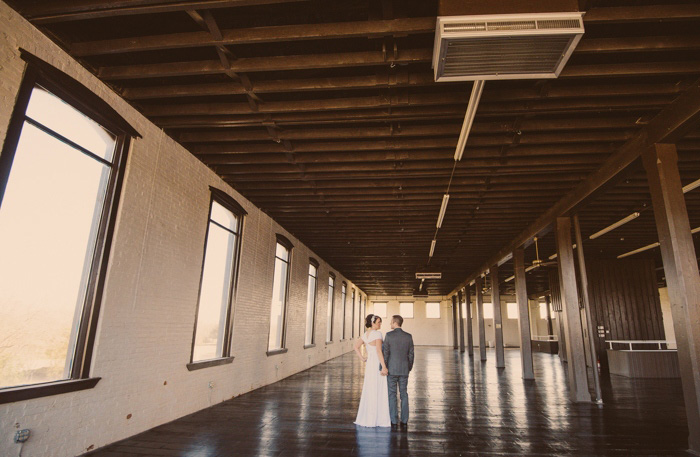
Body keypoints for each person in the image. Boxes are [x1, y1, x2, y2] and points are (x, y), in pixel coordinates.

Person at [354, 314, 391, 427]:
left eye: (380, 322)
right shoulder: (377, 334)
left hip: (370, 364)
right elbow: (379, 352)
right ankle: (379, 418)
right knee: (379, 387)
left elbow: (356, 346)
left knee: (370, 388)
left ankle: (368, 417)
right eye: (379, 322)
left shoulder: (365, 334)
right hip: (377, 363)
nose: (380, 324)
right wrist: (384, 367)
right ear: (373, 323)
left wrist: (362, 358)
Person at [382, 315, 414, 431]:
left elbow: (386, 353)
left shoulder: (389, 336)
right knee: (404, 394)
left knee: (392, 394)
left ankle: (393, 420)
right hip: (404, 369)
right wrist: (408, 367)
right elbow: (411, 354)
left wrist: (383, 367)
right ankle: (404, 420)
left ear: (395, 323)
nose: (390, 324)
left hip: (391, 370)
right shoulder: (408, 336)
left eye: (391, 322)